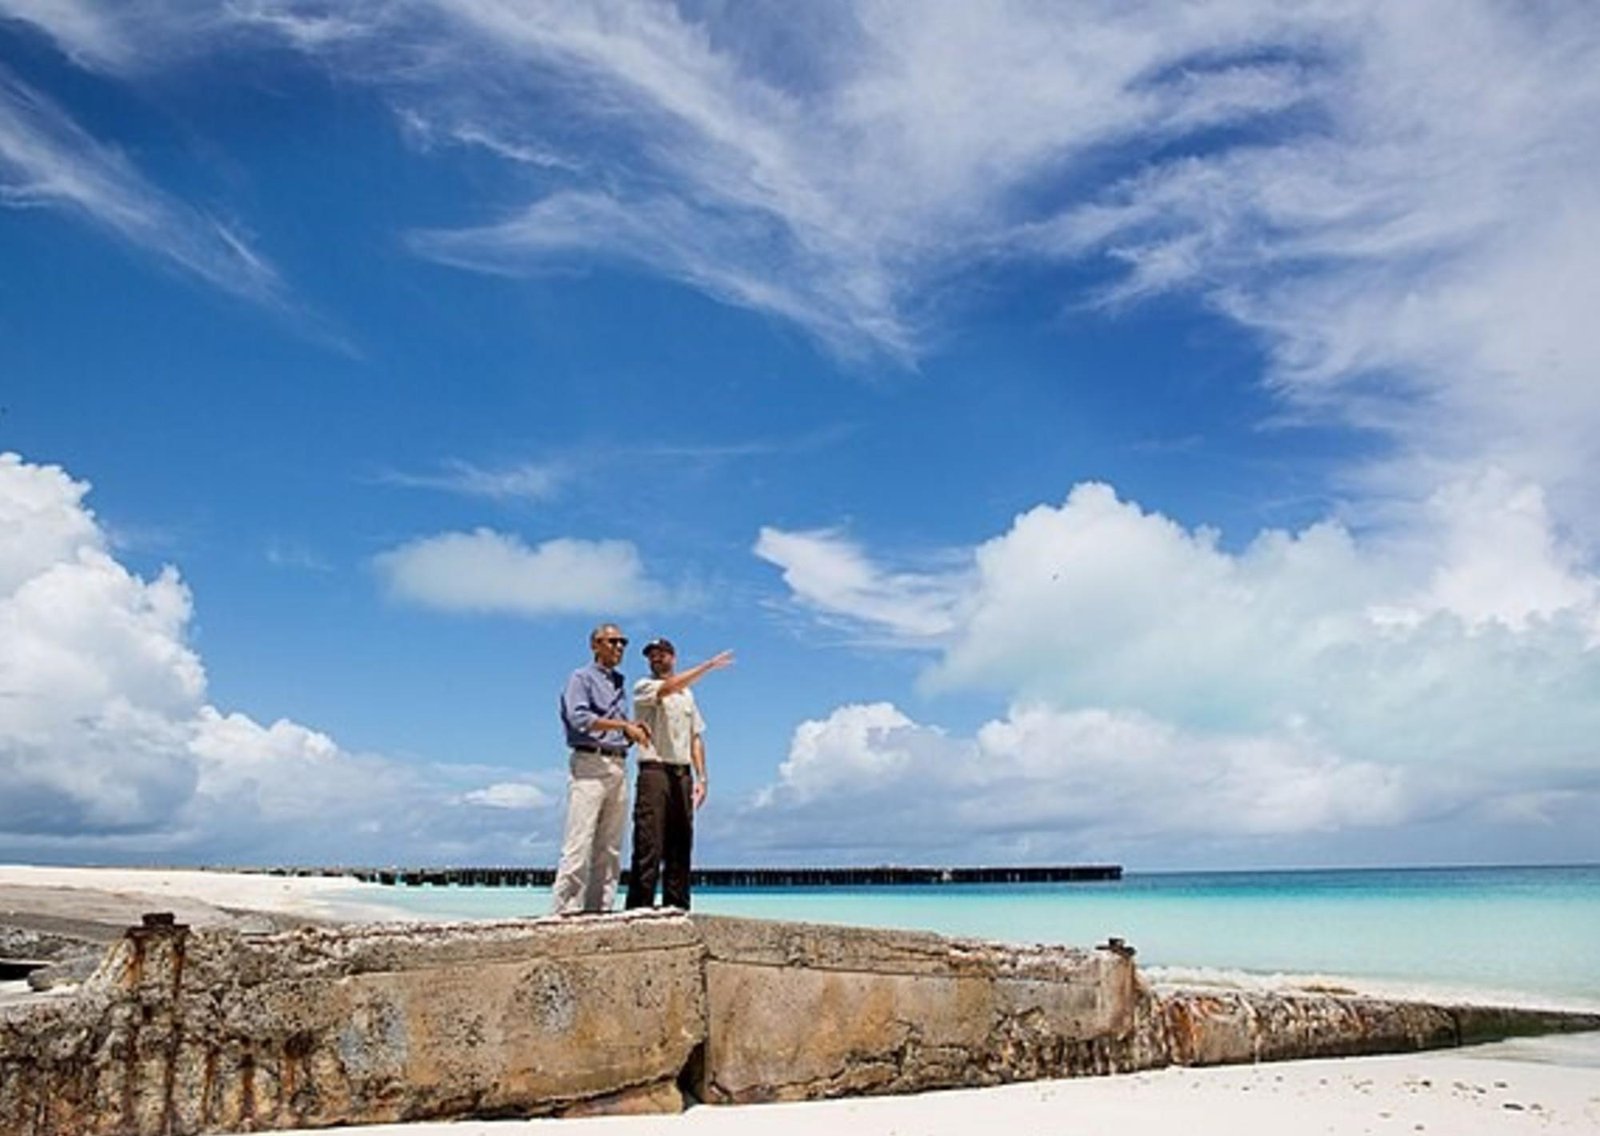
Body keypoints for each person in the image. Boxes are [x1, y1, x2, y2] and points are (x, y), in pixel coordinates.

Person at [624, 638, 733, 910]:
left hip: (682, 775)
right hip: (654, 770)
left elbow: (695, 736)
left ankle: (678, 909)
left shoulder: (688, 696)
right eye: (652, 656)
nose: (656, 659)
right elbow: (669, 688)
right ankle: (639, 909)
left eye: (661, 654)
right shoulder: (644, 686)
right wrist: (707, 666)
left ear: (673, 657)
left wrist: (702, 778)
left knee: (681, 845)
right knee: (649, 843)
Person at [551, 623, 650, 915]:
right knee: (578, 843)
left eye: (623, 642)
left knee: (610, 847)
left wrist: (630, 734)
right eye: (612, 642)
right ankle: (564, 913)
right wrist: (624, 726)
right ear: (595, 645)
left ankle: (599, 911)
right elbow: (579, 718)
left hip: (618, 764)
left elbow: (613, 726)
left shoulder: (618, 682)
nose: (618, 647)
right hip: (590, 764)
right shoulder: (580, 678)